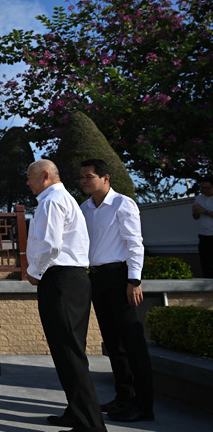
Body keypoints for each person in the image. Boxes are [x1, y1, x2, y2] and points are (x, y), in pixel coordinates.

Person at [25, 159, 107, 432]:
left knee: (70, 353)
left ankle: (90, 425)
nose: (28, 183)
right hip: (70, 281)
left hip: (61, 279)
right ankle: (76, 411)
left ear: (45, 176)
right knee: (69, 350)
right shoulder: (62, 199)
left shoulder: (52, 201)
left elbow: (50, 244)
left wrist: (34, 271)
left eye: (31, 178)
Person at [79, 159, 154, 423]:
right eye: (82, 178)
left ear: (106, 178)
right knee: (113, 342)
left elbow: (134, 243)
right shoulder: (85, 208)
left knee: (132, 341)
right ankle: (124, 396)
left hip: (120, 277)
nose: (84, 181)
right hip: (97, 278)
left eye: (89, 177)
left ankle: (144, 405)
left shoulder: (123, 204)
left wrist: (134, 280)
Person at [191, 176, 213, 278]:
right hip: (204, 235)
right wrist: (196, 211)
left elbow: (203, 212)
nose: (205, 190)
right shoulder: (199, 198)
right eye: (202, 188)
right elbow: (196, 217)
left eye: (207, 188)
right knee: (205, 262)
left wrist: (204, 211)